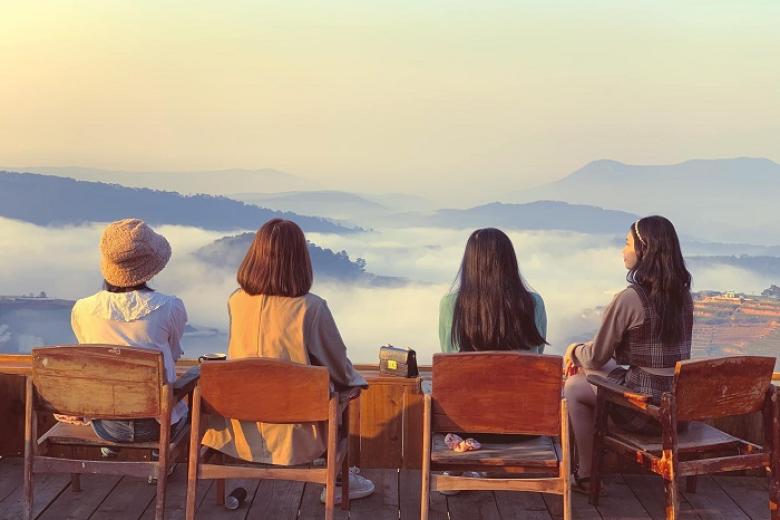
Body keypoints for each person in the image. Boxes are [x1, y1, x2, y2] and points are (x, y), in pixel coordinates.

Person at [201, 218, 374, 504]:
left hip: (238, 428)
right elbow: (336, 364)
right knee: (345, 392)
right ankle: (339, 478)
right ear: (300, 260)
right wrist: (354, 382)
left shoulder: (236, 301)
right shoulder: (311, 307)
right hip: (296, 435)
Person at [563, 216, 693, 493]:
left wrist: (573, 350)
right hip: (679, 411)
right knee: (598, 369)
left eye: (627, 243)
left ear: (644, 250)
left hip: (645, 411)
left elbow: (595, 357)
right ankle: (586, 473)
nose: (623, 251)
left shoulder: (630, 298)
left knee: (574, 386)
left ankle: (585, 473)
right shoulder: (684, 296)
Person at [68, 218, 188, 451]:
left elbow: (91, 357)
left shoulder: (82, 309)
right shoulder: (170, 307)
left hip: (105, 424)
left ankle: (112, 446)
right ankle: (159, 456)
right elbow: (173, 356)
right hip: (158, 424)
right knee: (185, 407)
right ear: (150, 267)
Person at [439, 227, 547, 353]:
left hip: (469, 373)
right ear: (510, 262)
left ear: (470, 263)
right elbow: (538, 354)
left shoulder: (450, 304)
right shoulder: (534, 303)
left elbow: (448, 355)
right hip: (523, 373)